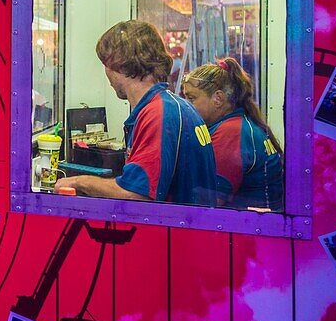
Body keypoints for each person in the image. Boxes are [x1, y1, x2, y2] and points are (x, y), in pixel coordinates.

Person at [56, 20, 217, 205]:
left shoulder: (159, 113)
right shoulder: (174, 106)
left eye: (106, 64)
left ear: (120, 65)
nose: (106, 73)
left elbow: (137, 194)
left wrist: (80, 182)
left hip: (178, 231)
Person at [182, 58, 284, 211]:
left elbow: (208, 201)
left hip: (250, 229)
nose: (185, 105)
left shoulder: (231, 132)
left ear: (218, 99)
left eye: (191, 98)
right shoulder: (239, 125)